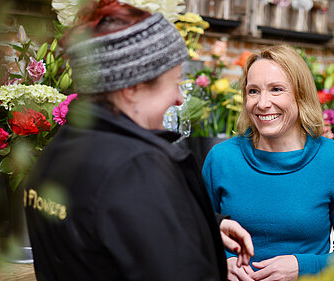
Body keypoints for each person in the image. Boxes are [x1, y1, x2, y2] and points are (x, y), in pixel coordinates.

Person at [24, 1, 253, 280]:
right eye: (176, 82)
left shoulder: (56, 152)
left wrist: (201, 225)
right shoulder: (136, 167)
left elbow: (107, 227)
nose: (180, 98)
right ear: (133, 88)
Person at [202, 45, 334, 281]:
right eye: (253, 91)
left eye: (276, 89)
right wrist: (223, 261)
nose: (262, 103)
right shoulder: (221, 159)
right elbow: (196, 232)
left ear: (300, 95)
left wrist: (302, 266)